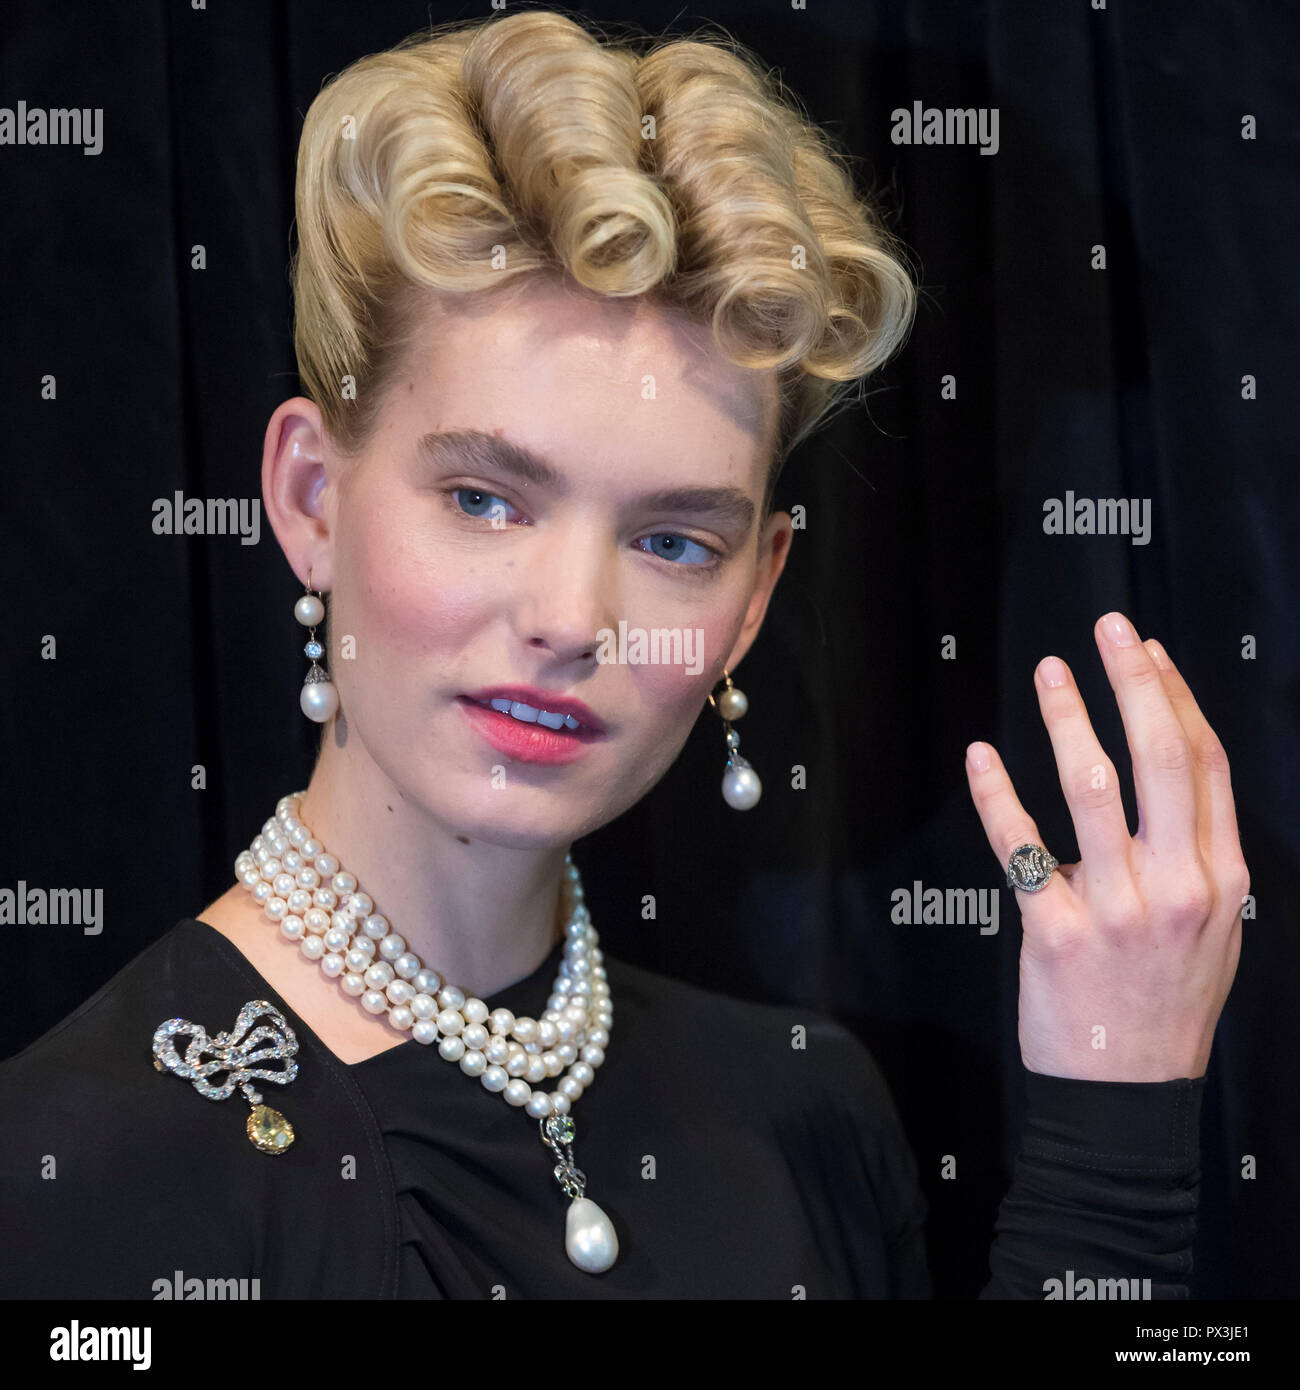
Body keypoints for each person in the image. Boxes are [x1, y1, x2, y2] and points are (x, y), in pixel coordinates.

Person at [0, 9, 1246, 1300]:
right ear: (312, 498)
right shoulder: (83, 1169)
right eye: (487, 498)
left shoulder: (809, 1112)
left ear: (756, 598)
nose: (569, 615)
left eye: (671, 538)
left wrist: (1117, 1124)